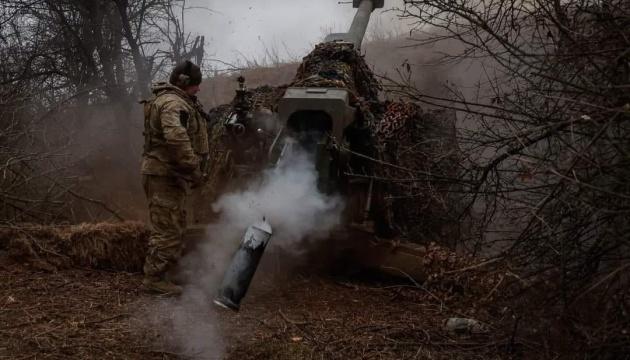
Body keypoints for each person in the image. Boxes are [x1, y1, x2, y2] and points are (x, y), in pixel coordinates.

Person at [140, 60, 209, 295]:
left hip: (170, 175)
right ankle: (154, 279)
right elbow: (177, 140)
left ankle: (169, 272)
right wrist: (194, 169)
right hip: (164, 175)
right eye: (195, 84)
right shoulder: (172, 103)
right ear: (184, 82)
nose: (198, 89)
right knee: (166, 229)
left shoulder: (176, 101)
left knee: (176, 225)